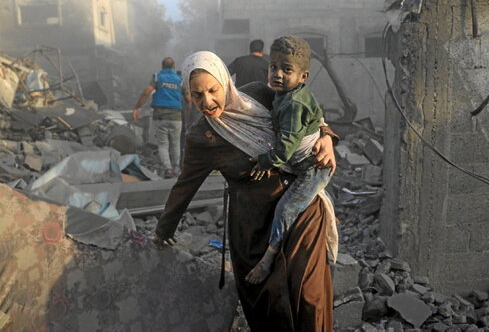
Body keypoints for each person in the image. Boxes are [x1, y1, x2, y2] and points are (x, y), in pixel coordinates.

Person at [154, 51, 338, 331]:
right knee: (269, 307)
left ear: (225, 83)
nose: (207, 102)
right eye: (197, 95)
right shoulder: (201, 137)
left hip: (301, 210)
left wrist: (326, 136)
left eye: (213, 90)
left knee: (308, 296)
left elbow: (304, 108)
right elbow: (184, 187)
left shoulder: (259, 95)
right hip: (252, 228)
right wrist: (163, 231)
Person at [246, 36, 332, 285]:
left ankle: (268, 258)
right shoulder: (284, 94)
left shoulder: (293, 103)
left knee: (285, 209)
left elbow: (283, 151)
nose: (278, 74)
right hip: (300, 161)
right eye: (274, 67)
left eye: (287, 69)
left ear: (303, 77)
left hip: (311, 169)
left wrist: (264, 161)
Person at [132, 57, 183, 178]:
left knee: (163, 144)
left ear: (162, 67)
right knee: (176, 143)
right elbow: (188, 96)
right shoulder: (180, 79)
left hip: (160, 116)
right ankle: (176, 168)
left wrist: (137, 107)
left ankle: (168, 169)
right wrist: (190, 111)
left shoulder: (157, 77)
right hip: (176, 116)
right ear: (174, 67)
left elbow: (147, 92)